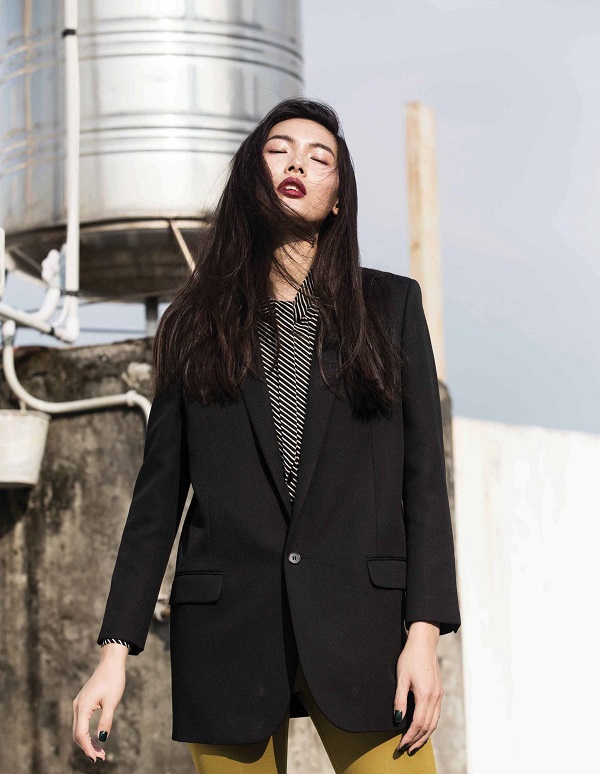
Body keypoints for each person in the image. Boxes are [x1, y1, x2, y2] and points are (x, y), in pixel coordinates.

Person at [72, 97, 461, 772]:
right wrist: (114, 654)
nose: (297, 166)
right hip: (228, 638)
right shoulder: (192, 324)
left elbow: (424, 482)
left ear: (338, 199)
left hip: (365, 633)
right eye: (279, 151)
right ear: (252, 178)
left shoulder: (389, 307)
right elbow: (156, 502)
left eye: (319, 158)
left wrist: (423, 636)